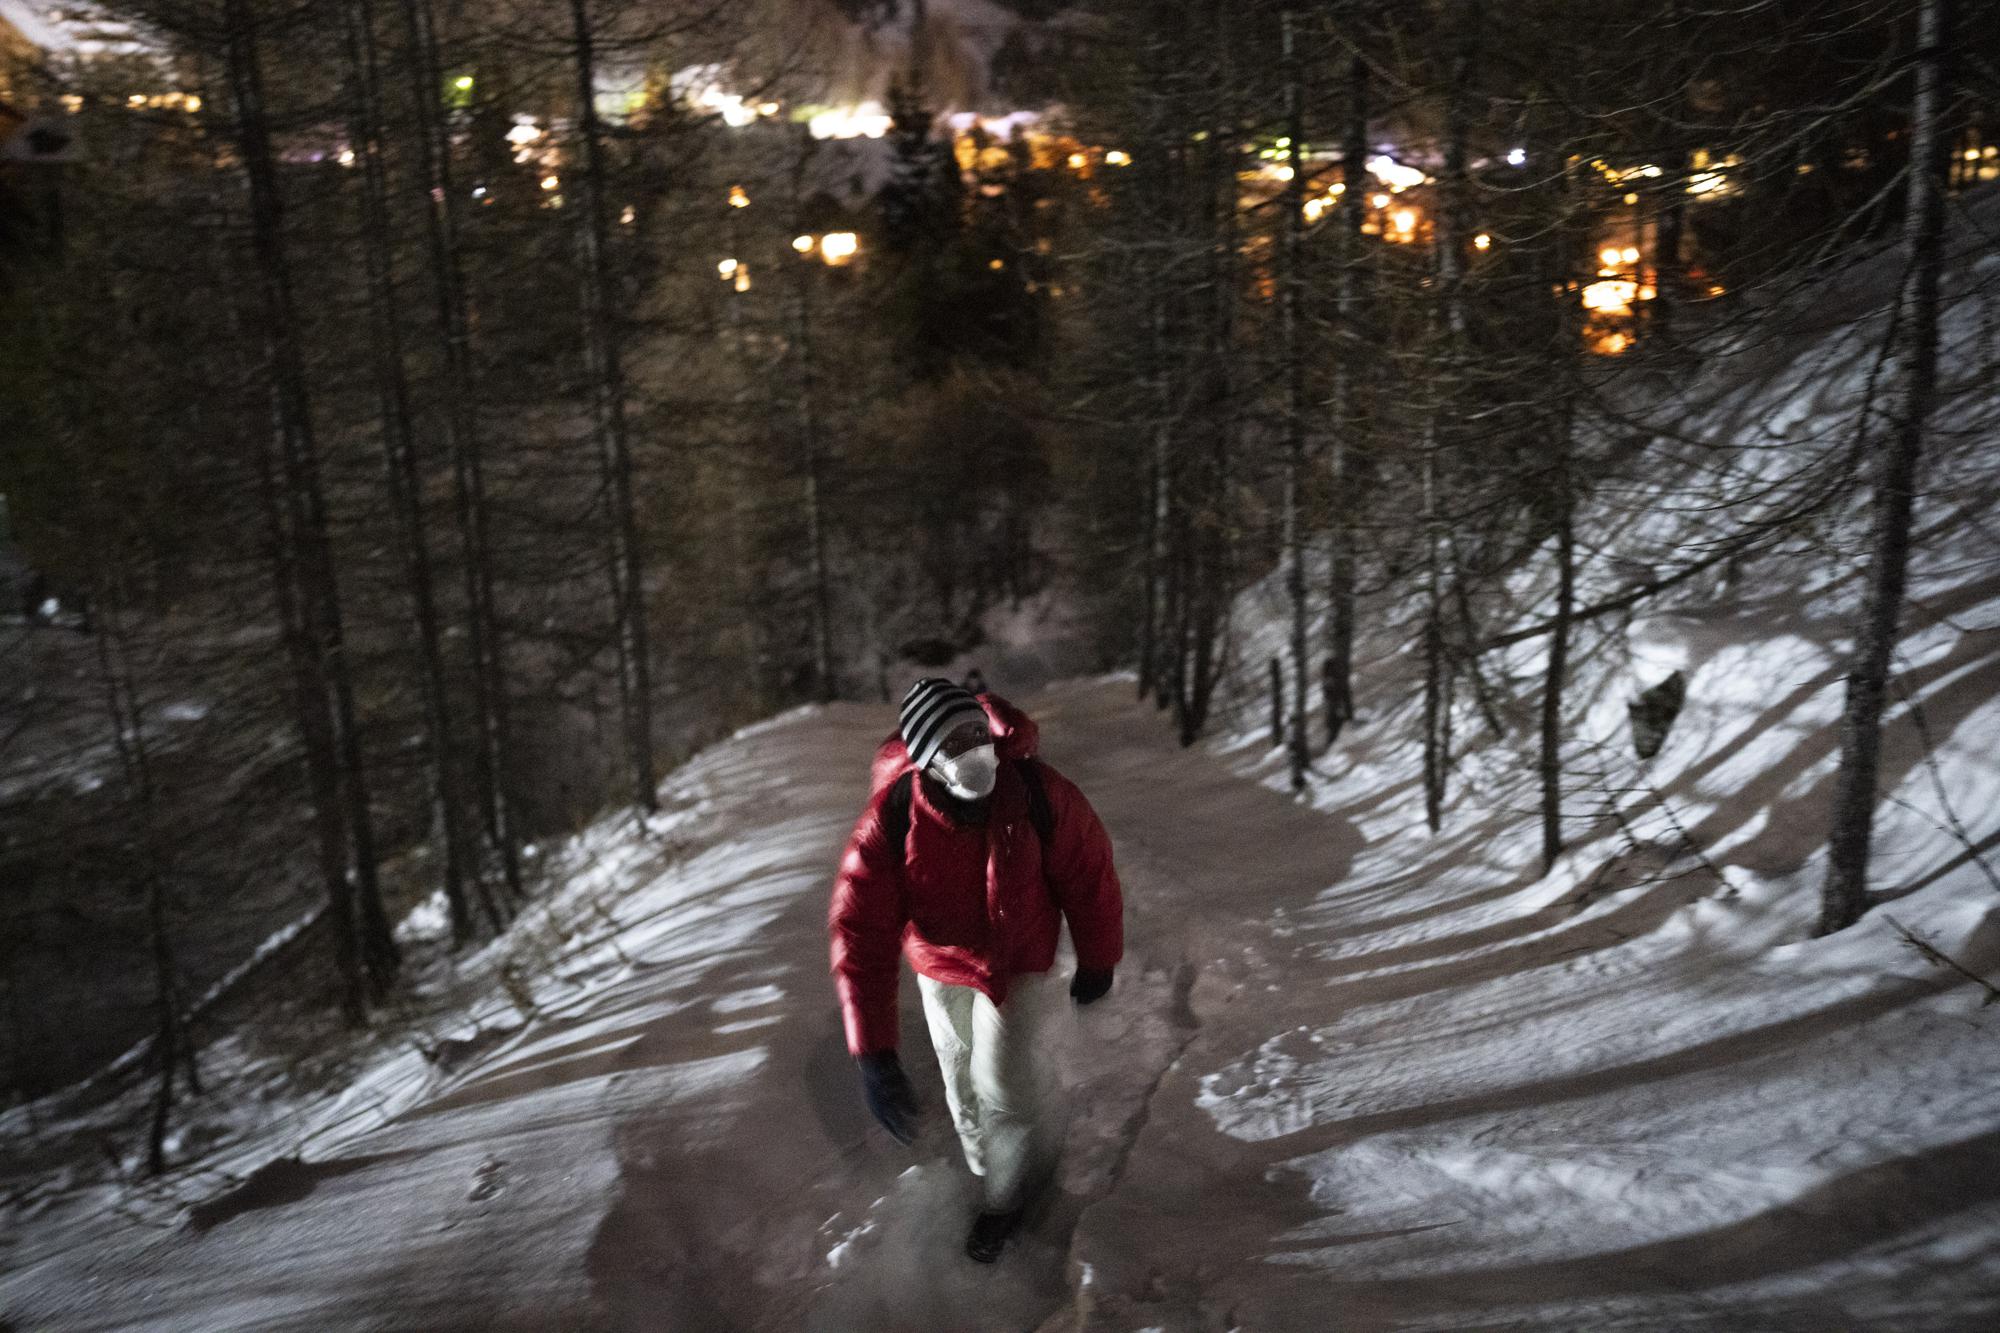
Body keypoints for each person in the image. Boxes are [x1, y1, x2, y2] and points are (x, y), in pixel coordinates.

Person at [828, 677, 1124, 1262]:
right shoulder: (892, 818)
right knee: (962, 1085)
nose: (972, 748)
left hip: (1017, 962)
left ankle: (1007, 1201)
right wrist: (874, 1054)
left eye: (975, 733)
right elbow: (858, 931)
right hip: (939, 966)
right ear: (925, 761)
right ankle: (994, 1168)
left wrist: (1098, 957)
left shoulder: (1038, 793)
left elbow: (1089, 875)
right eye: (952, 741)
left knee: (1001, 1086)